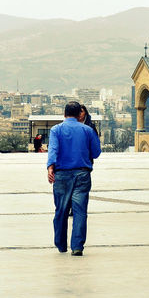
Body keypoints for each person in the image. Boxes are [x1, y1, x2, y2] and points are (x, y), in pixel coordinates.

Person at [47, 101, 101, 256]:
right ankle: (77, 246)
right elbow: (96, 153)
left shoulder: (56, 130)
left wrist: (50, 168)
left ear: (64, 114)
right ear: (79, 115)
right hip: (82, 174)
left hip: (62, 175)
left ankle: (61, 244)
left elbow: (53, 150)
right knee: (80, 211)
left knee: (61, 210)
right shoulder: (87, 130)